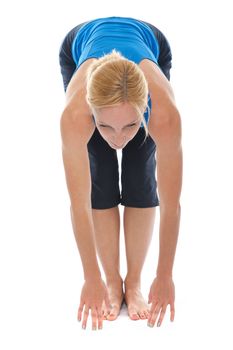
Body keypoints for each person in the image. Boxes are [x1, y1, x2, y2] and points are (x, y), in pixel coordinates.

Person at [58, 16, 182, 331]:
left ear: (145, 107)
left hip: (150, 39)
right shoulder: (76, 115)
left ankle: (134, 282)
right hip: (79, 43)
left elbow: (171, 203)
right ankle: (114, 282)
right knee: (99, 171)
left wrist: (164, 274)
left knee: (140, 168)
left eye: (129, 125)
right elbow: (80, 203)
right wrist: (92, 277)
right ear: (90, 110)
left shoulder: (164, 115)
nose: (117, 138)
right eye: (105, 126)